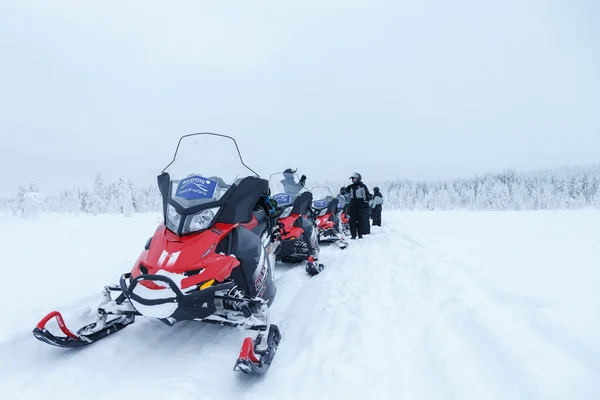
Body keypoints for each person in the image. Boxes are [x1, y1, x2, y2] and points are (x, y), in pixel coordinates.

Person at [345, 172, 371, 239]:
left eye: (355, 179)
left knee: (360, 220)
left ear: (359, 179)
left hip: (360, 204)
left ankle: (360, 234)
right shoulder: (350, 187)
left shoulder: (363, 186)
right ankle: (353, 235)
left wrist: (366, 203)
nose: (353, 180)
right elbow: (346, 194)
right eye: (353, 179)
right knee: (352, 220)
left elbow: (366, 195)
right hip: (352, 204)